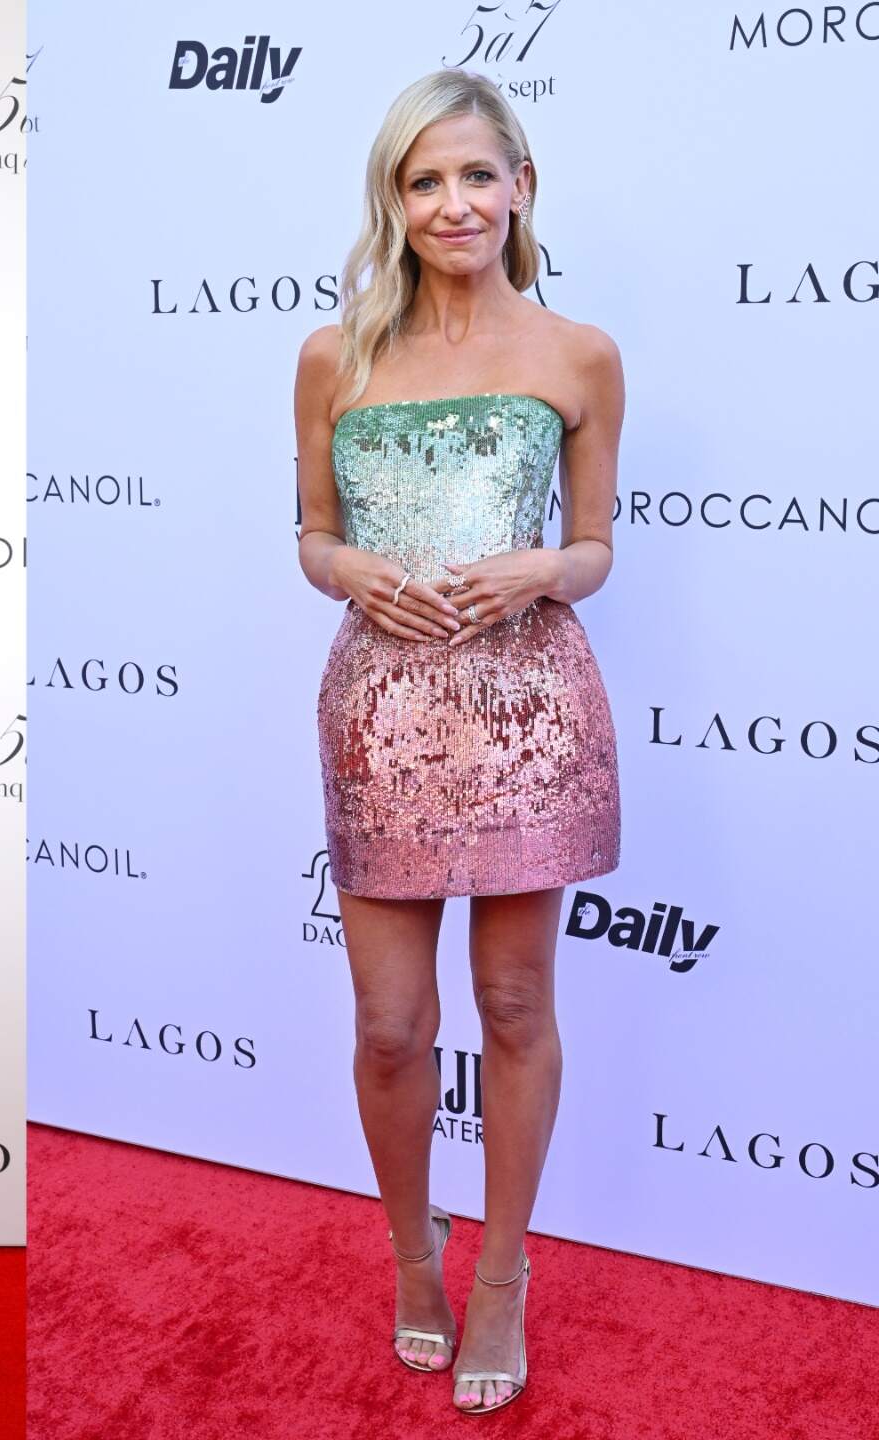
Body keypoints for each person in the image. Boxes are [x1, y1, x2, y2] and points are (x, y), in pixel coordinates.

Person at [292, 68, 622, 1416]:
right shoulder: (334, 357)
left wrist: (539, 567)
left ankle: (501, 1275)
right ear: (394, 201)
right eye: (423, 181)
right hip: (382, 713)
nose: (454, 203)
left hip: (529, 710)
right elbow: (311, 536)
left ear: (521, 187)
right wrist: (353, 570)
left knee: (517, 1006)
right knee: (388, 1025)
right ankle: (413, 1256)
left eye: (477, 175)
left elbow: (596, 547)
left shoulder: (578, 354)